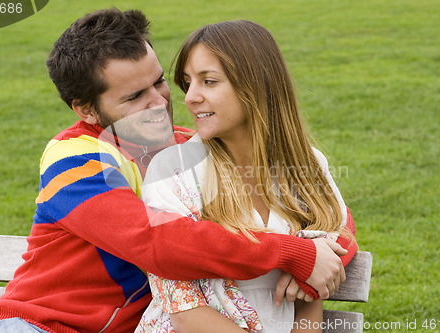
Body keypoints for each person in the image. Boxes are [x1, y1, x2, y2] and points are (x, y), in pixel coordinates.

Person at [0, 8, 356, 333]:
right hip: (36, 324)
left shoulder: (189, 146)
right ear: (87, 110)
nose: (159, 102)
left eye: (158, 81)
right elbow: (156, 242)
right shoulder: (74, 160)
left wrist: (323, 263)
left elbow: (332, 215)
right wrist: (294, 254)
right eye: (134, 97)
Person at [135, 20, 356, 333]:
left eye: (208, 81)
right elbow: (181, 305)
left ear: (255, 85)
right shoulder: (171, 171)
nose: (190, 97)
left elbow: (316, 285)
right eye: (188, 83)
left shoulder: (308, 166)